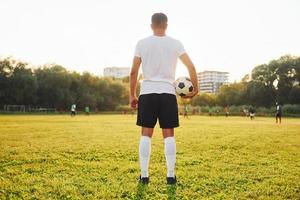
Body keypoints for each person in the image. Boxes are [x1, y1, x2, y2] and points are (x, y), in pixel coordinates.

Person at [129, 13, 198, 185]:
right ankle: (170, 176)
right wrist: (195, 89)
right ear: (166, 25)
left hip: (147, 93)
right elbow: (191, 66)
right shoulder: (175, 43)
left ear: (151, 25)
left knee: (146, 135)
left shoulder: (142, 43)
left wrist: (132, 95)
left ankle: (144, 176)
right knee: (169, 136)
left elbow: (133, 72)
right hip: (168, 93)